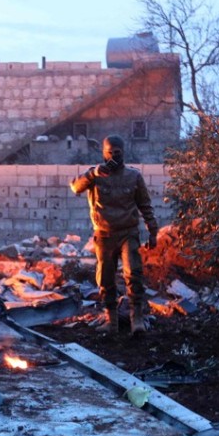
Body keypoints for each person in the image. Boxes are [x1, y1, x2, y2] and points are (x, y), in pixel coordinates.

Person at [70, 135, 158, 335]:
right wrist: (93, 174)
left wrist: (153, 231)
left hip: (128, 233)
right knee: (106, 279)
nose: (113, 157)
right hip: (104, 235)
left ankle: (137, 320)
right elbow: (76, 187)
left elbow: (145, 205)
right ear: (103, 153)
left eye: (117, 153)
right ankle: (112, 321)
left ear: (123, 153)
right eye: (109, 153)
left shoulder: (134, 176)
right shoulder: (94, 175)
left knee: (133, 275)